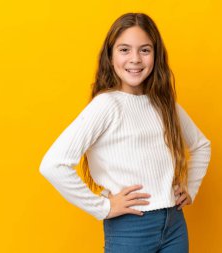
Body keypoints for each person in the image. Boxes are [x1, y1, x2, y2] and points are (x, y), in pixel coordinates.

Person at [39, 12, 211, 253]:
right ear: (110, 57)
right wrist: (103, 207)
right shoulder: (106, 105)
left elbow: (201, 145)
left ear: (156, 55)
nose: (135, 59)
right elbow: (53, 164)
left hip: (174, 224)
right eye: (124, 50)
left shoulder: (164, 104)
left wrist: (190, 187)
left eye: (145, 50)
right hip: (131, 227)